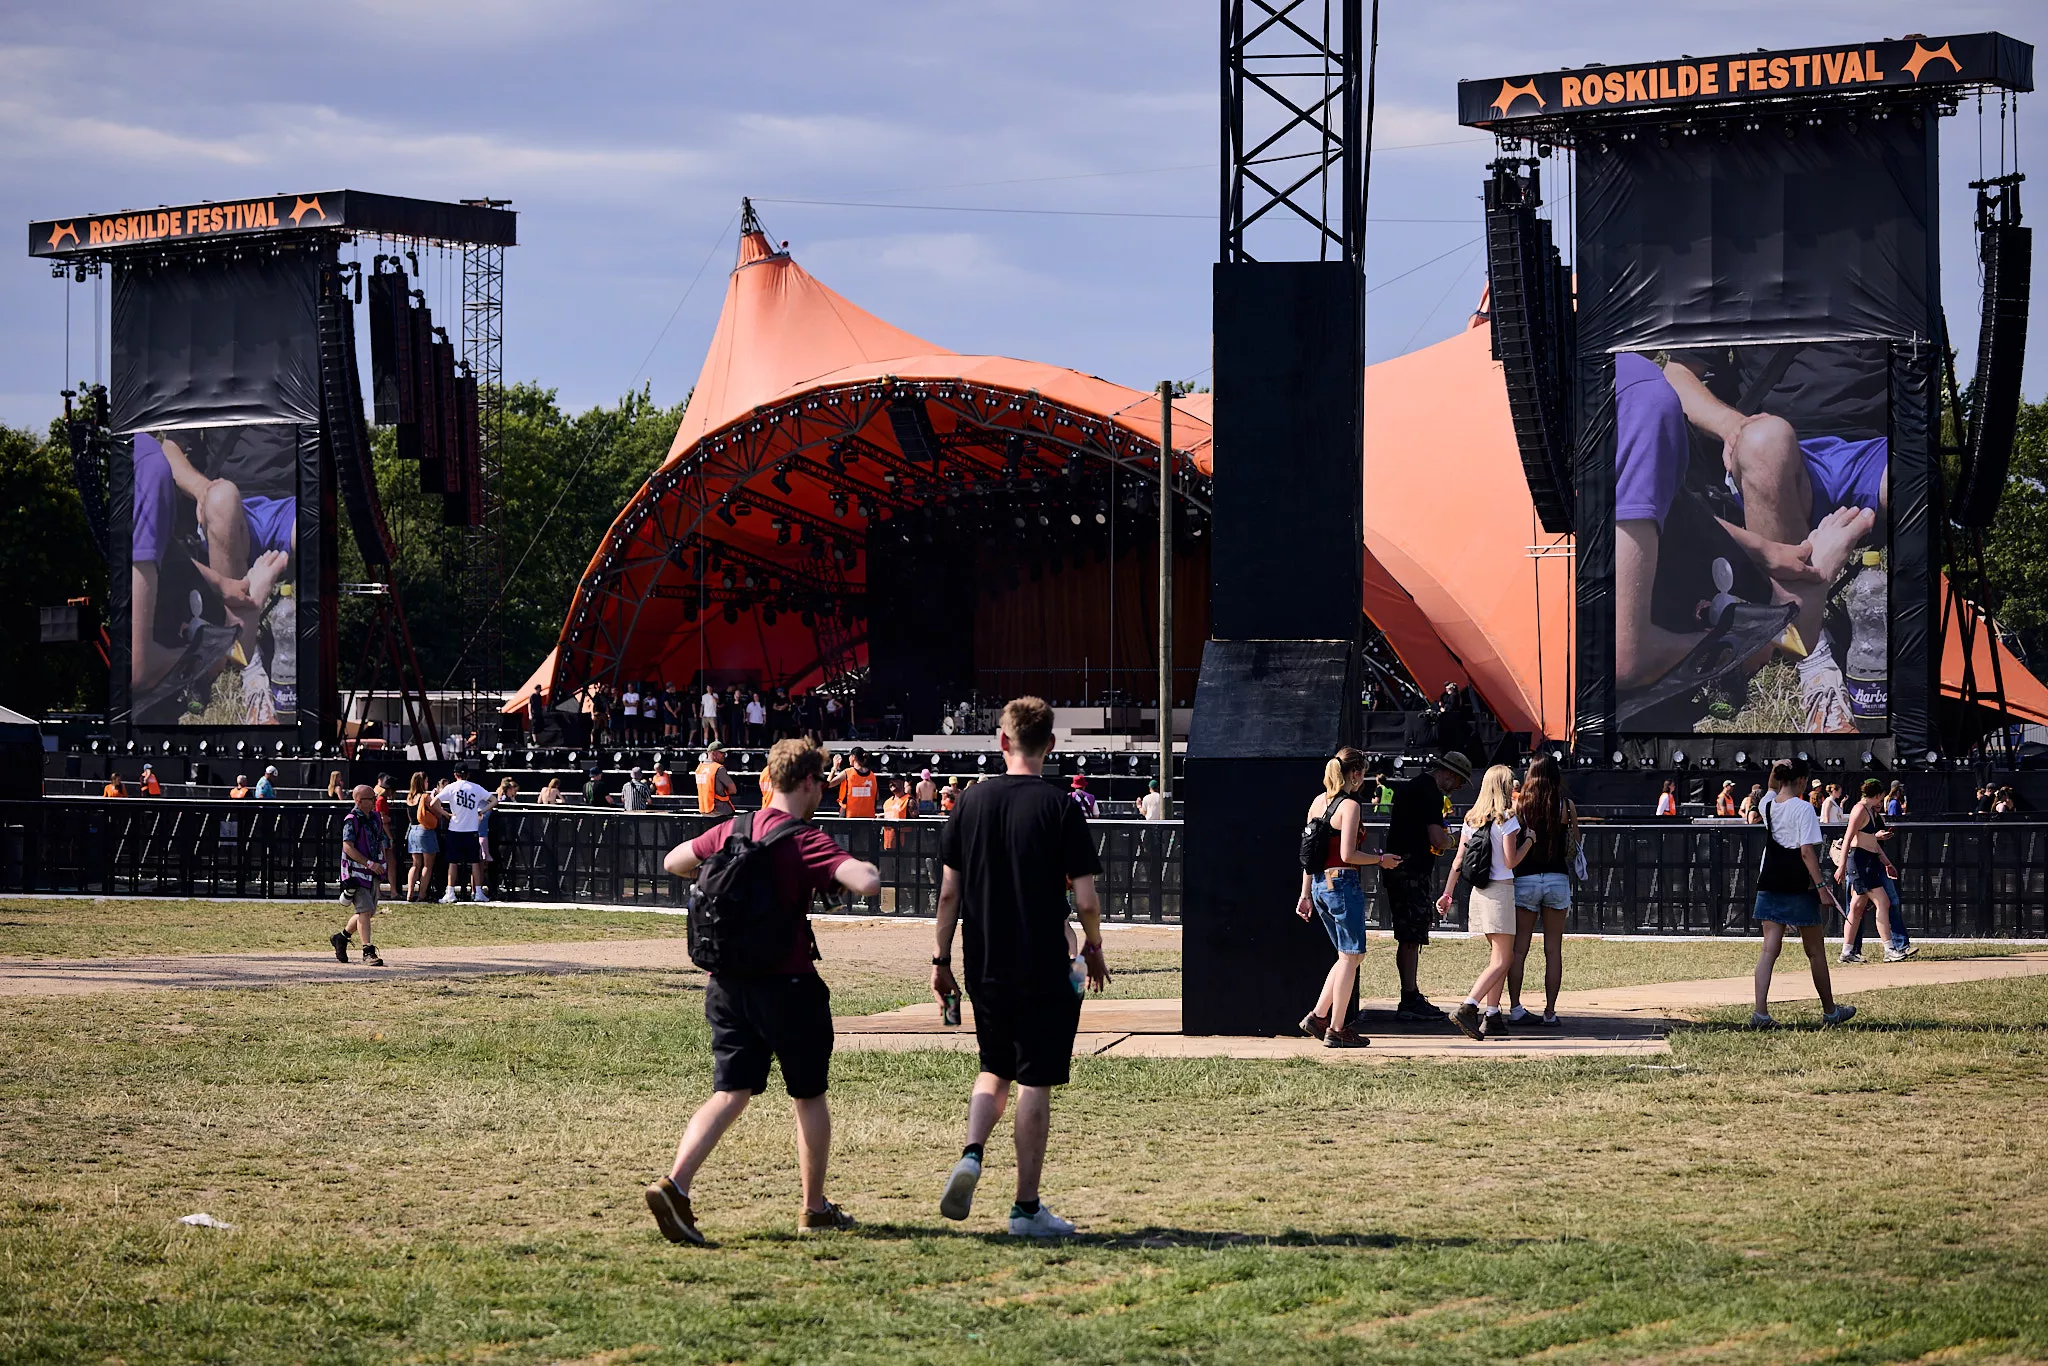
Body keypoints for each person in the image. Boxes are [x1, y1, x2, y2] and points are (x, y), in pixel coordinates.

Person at [645, 738, 881, 1245]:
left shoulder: (734, 829)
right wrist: (855, 872)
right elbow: (865, 882)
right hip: (788, 985)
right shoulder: (804, 839)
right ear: (810, 782)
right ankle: (813, 1208)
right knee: (808, 1095)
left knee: (731, 1092)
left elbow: (673, 861)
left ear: (768, 779)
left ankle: (676, 1184)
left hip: (726, 983)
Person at [930, 697, 1109, 1237]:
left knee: (994, 1067)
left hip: (985, 961)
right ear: (1050, 745)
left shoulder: (968, 803)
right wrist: (1093, 947)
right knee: (1035, 1079)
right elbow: (1086, 900)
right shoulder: (1062, 807)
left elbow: (948, 895)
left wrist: (941, 961)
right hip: (1046, 962)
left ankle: (971, 1153)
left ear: (1002, 742)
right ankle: (1026, 1209)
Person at [1296, 747, 1404, 1047]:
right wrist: (1381, 860)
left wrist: (1305, 893)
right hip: (1342, 883)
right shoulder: (1350, 806)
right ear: (1355, 774)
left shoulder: (1317, 803)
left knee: (1348, 956)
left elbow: (1309, 855)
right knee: (1351, 955)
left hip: (1320, 886)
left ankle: (1319, 1017)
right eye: (1363, 774)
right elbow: (1348, 854)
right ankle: (1336, 1028)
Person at [1751, 761, 1856, 1028]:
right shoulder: (1804, 808)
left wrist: (1776, 768)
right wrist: (1821, 887)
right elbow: (1806, 852)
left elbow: (1771, 787)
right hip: (1798, 886)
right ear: (1801, 781)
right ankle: (1830, 1011)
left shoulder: (1768, 805)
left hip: (1770, 882)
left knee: (1768, 950)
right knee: (1815, 951)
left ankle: (1760, 1013)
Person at [1379, 751, 1471, 1021]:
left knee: (1408, 935)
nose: (1459, 788)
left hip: (1400, 869)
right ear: (1449, 774)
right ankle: (1409, 998)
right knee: (1411, 936)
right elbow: (1438, 839)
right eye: (1460, 781)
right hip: (1411, 871)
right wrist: (1458, 840)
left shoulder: (1413, 786)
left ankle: (1410, 994)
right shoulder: (1430, 792)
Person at [1439, 764, 1522, 1041]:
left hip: (1479, 892)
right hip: (1501, 892)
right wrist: (1529, 842)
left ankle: (1492, 1014)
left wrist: (1447, 894)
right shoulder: (1508, 819)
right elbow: (1510, 861)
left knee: (1497, 958)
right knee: (1504, 958)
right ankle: (1469, 1006)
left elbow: (1458, 861)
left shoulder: (1472, 819)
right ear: (1504, 787)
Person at [1506, 752, 1578, 1027]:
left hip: (1525, 878)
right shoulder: (1565, 805)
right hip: (1557, 878)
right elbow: (1575, 843)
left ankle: (1515, 1008)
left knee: (1519, 949)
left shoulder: (1520, 805)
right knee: (1553, 950)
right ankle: (1550, 1012)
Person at [1837, 778, 1900, 964]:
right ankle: (1889, 949)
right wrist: (1841, 866)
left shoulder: (1870, 811)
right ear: (1878, 795)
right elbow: (1848, 838)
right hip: (1859, 861)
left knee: (1857, 907)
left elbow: (1872, 842)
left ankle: (1847, 952)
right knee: (1883, 901)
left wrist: (1887, 863)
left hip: (1869, 860)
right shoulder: (1859, 810)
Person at [330, 784, 390, 966]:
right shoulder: (351, 820)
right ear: (359, 801)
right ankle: (367, 951)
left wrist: (382, 864)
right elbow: (347, 847)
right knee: (364, 910)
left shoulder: (375, 818)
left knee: (367, 912)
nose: (374, 801)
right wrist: (369, 863)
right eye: (371, 799)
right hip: (356, 873)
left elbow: (380, 841)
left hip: (373, 872)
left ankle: (341, 937)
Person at [437, 770, 496, 904]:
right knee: (474, 862)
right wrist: (481, 811)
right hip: (472, 830)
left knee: (453, 862)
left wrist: (445, 814)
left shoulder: (451, 787)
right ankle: (478, 892)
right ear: (467, 774)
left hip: (455, 829)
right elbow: (494, 800)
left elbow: (434, 801)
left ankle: (450, 892)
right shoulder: (475, 787)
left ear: (455, 774)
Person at [403, 774, 442, 900]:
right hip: (425, 831)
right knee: (427, 865)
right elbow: (437, 811)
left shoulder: (409, 797)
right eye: (426, 781)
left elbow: (409, 816)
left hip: (413, 830)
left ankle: (409, 893)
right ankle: (422, 894)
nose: (427, 784)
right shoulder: (425, 797)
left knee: (415, 864)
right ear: (422, 782)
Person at [833, 748, 879, 819]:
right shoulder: (872, 776)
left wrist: (834, 768)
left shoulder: (847, 773)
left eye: (849, 756)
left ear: (853, 757)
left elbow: (828, 784)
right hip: (868, 816)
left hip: (849, 815)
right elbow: (877, 797)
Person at [695, 745, 737, 816]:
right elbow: (733, 790)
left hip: (705, 811)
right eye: (721, 752)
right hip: (720, 811)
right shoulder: (718, 769)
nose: (724, 755)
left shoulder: (699, 768)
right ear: (713, 753)